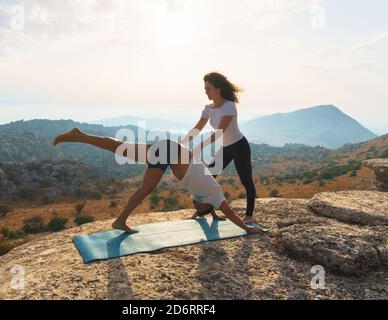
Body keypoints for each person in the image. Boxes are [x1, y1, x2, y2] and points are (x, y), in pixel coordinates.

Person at [53, 128, 264, 234]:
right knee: (146, 188)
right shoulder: (215, 194)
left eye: (196, 206)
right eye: (200, 206)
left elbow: (211, 207)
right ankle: (120, 220)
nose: (195, 203)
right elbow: (230, 213)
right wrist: (248, 229)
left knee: (121, 147)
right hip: (170, 152)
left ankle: (81, 135)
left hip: (171, 149)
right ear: (209, 203)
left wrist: (212, 216)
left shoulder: (206, 195)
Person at [182, 72, 257, 224]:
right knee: (208, 177)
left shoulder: (229, 106)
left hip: (239, 146)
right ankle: (210, 213)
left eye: (208, 88)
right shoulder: (208, 108)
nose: (205, 91)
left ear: (218, 89)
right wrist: (181, 144)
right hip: (225, 148)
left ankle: (249, 215)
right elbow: (197, 128)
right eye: (205, 88)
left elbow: (219, 133)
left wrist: (200, 145)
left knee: (246, 181)